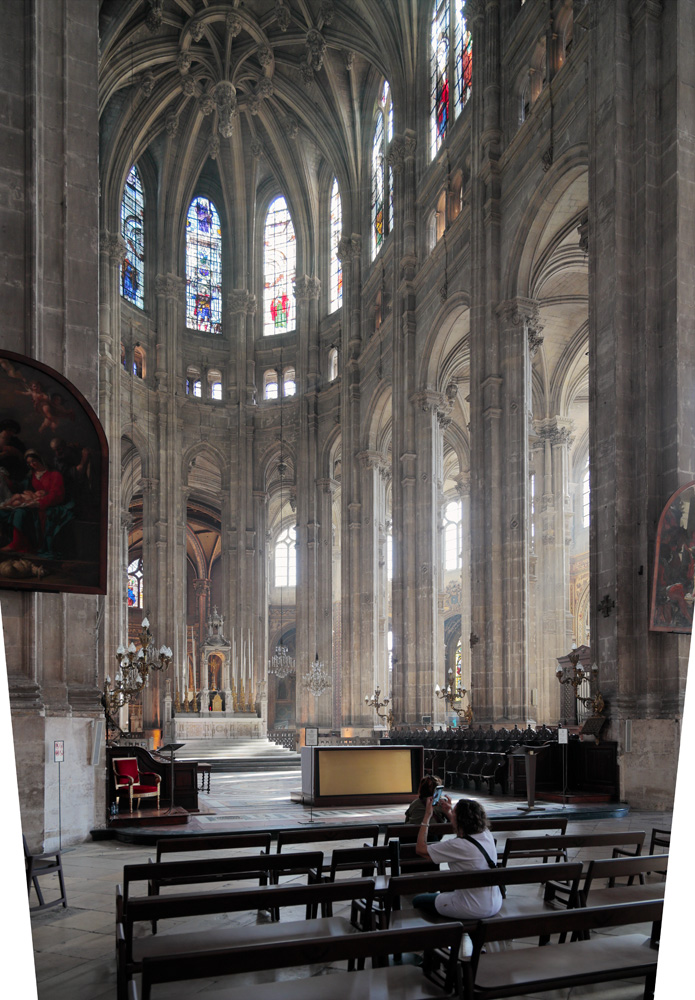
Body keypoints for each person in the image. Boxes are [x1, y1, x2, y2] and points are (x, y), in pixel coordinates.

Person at [413, 796, 503, 919]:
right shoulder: (486, 834)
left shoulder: (458, 845)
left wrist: (427, 817)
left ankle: (447, 933)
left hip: (471, 907)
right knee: (446, 889)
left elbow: (420, 849)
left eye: (454, 812)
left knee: (418, 900)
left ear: (459, 820)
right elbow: (463, 831)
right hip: (495, 903)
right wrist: (449, 812)